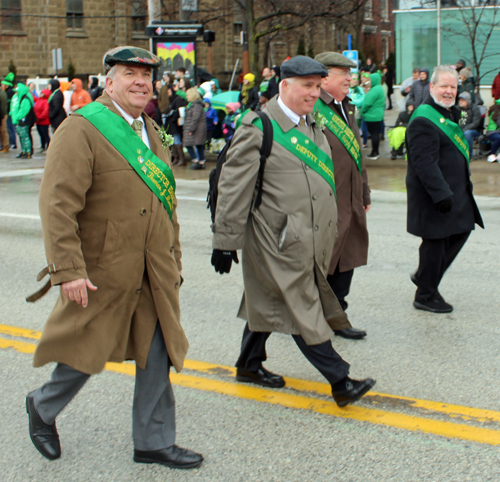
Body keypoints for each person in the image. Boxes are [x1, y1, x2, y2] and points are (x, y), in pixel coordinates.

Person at [25, 46, 203, 469]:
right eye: (130, 74)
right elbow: (58, 206)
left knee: (157, 350)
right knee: (87, 349)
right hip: (105, 267)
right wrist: (67, 269)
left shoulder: (152, 131)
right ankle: (43, 406)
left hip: (153, 267)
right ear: (109, 81)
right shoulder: (82, 129)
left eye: (147, 75)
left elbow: (166, 204)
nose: (141, 82)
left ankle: (154, 441)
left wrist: (173, 257)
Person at [212, 55, 375, 405]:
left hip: (310, 236)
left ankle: (248, 364)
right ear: (285, 86)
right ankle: (340, 381)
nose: (314, 93)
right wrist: (225, 242)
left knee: (271, 298)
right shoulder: (259, 127)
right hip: (276, 237)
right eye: (307, 86)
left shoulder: (311, 124)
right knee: (303, 305)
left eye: (318, 86)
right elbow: (233, 188)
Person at [406, 65, 483, 313]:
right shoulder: (424, 118)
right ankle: (425, 294)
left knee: (460, 231)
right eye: (444, 86)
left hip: (453, 192)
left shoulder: (448, 113)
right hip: (435, 195)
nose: (449, 91)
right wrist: (440, 193)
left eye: (453, 86)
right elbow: (423, 162)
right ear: (432, 87)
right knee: (436, 242)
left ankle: (424, 275)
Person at [360, 72, 385, 159]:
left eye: (370, 79)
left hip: (372, 116)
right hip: (377, 115)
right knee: (376, 134)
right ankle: (375, 152)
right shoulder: (379, 88)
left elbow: (367, 103)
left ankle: (374, 153)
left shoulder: (374, 90)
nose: (369, 81)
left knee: (374, 134)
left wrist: (362, 112)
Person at [183, 87, 206, 170]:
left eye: (188, 95)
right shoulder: (195, 105)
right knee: (198, 145)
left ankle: (197, 161)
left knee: (190, 145)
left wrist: (191, 129)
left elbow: (195, 118)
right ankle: (200, 162)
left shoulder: (196, 106)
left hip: (196, 130)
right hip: (196, 129)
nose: (187, 97)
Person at [164, 83, 188, 166]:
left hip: (175, 125)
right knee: (173, 142)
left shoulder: (177, 99)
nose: (168, 91)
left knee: (177, 141)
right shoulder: (171, 100)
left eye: (169, 89)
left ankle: (181, 159)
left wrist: (173, 118)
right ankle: (176, 158)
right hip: (171, 125)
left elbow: (179, 112)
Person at [10, 82, 35, 159]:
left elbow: (23, 111)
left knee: (25, 137)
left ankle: (28, 152)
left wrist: (16, 117)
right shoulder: (20, 97)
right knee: (22, 137)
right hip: (20, 121)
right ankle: (24, 151)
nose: (15, 92)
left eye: (17, 91)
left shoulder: (25, 99)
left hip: (24, 121)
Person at [2, 73, 17, 149]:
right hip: (10, 112)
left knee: (10, 128)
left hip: (9, 113)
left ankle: (13, 142)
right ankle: (12, 142)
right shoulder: (10, 91)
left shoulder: (9, 92)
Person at [486, 98, 500, 162]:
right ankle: (492, 154)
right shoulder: (496, 113)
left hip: (497, 132)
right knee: (498, 138)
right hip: (492, 132)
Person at [0, 79, 8, 152]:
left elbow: (3, 106)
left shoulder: (2, 94)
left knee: (3, 131)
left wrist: (2, 115)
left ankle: (5, 146)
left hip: (2, 115)